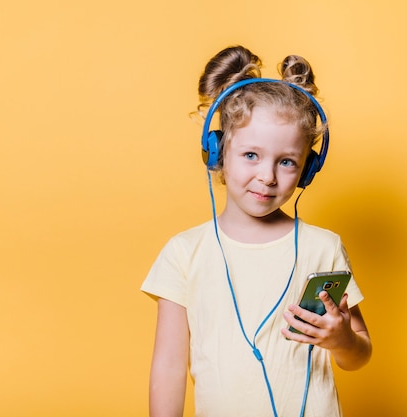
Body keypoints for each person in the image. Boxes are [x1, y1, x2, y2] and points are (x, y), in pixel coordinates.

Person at [141, 45, 372, 417]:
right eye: (251, 155)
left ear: (307, 170)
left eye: (286, 162)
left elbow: (358, 354)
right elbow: (168, 367)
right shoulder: (184, 252)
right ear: (217, 154)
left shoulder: (323, 248)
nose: (267, 176)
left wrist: (341, 338)